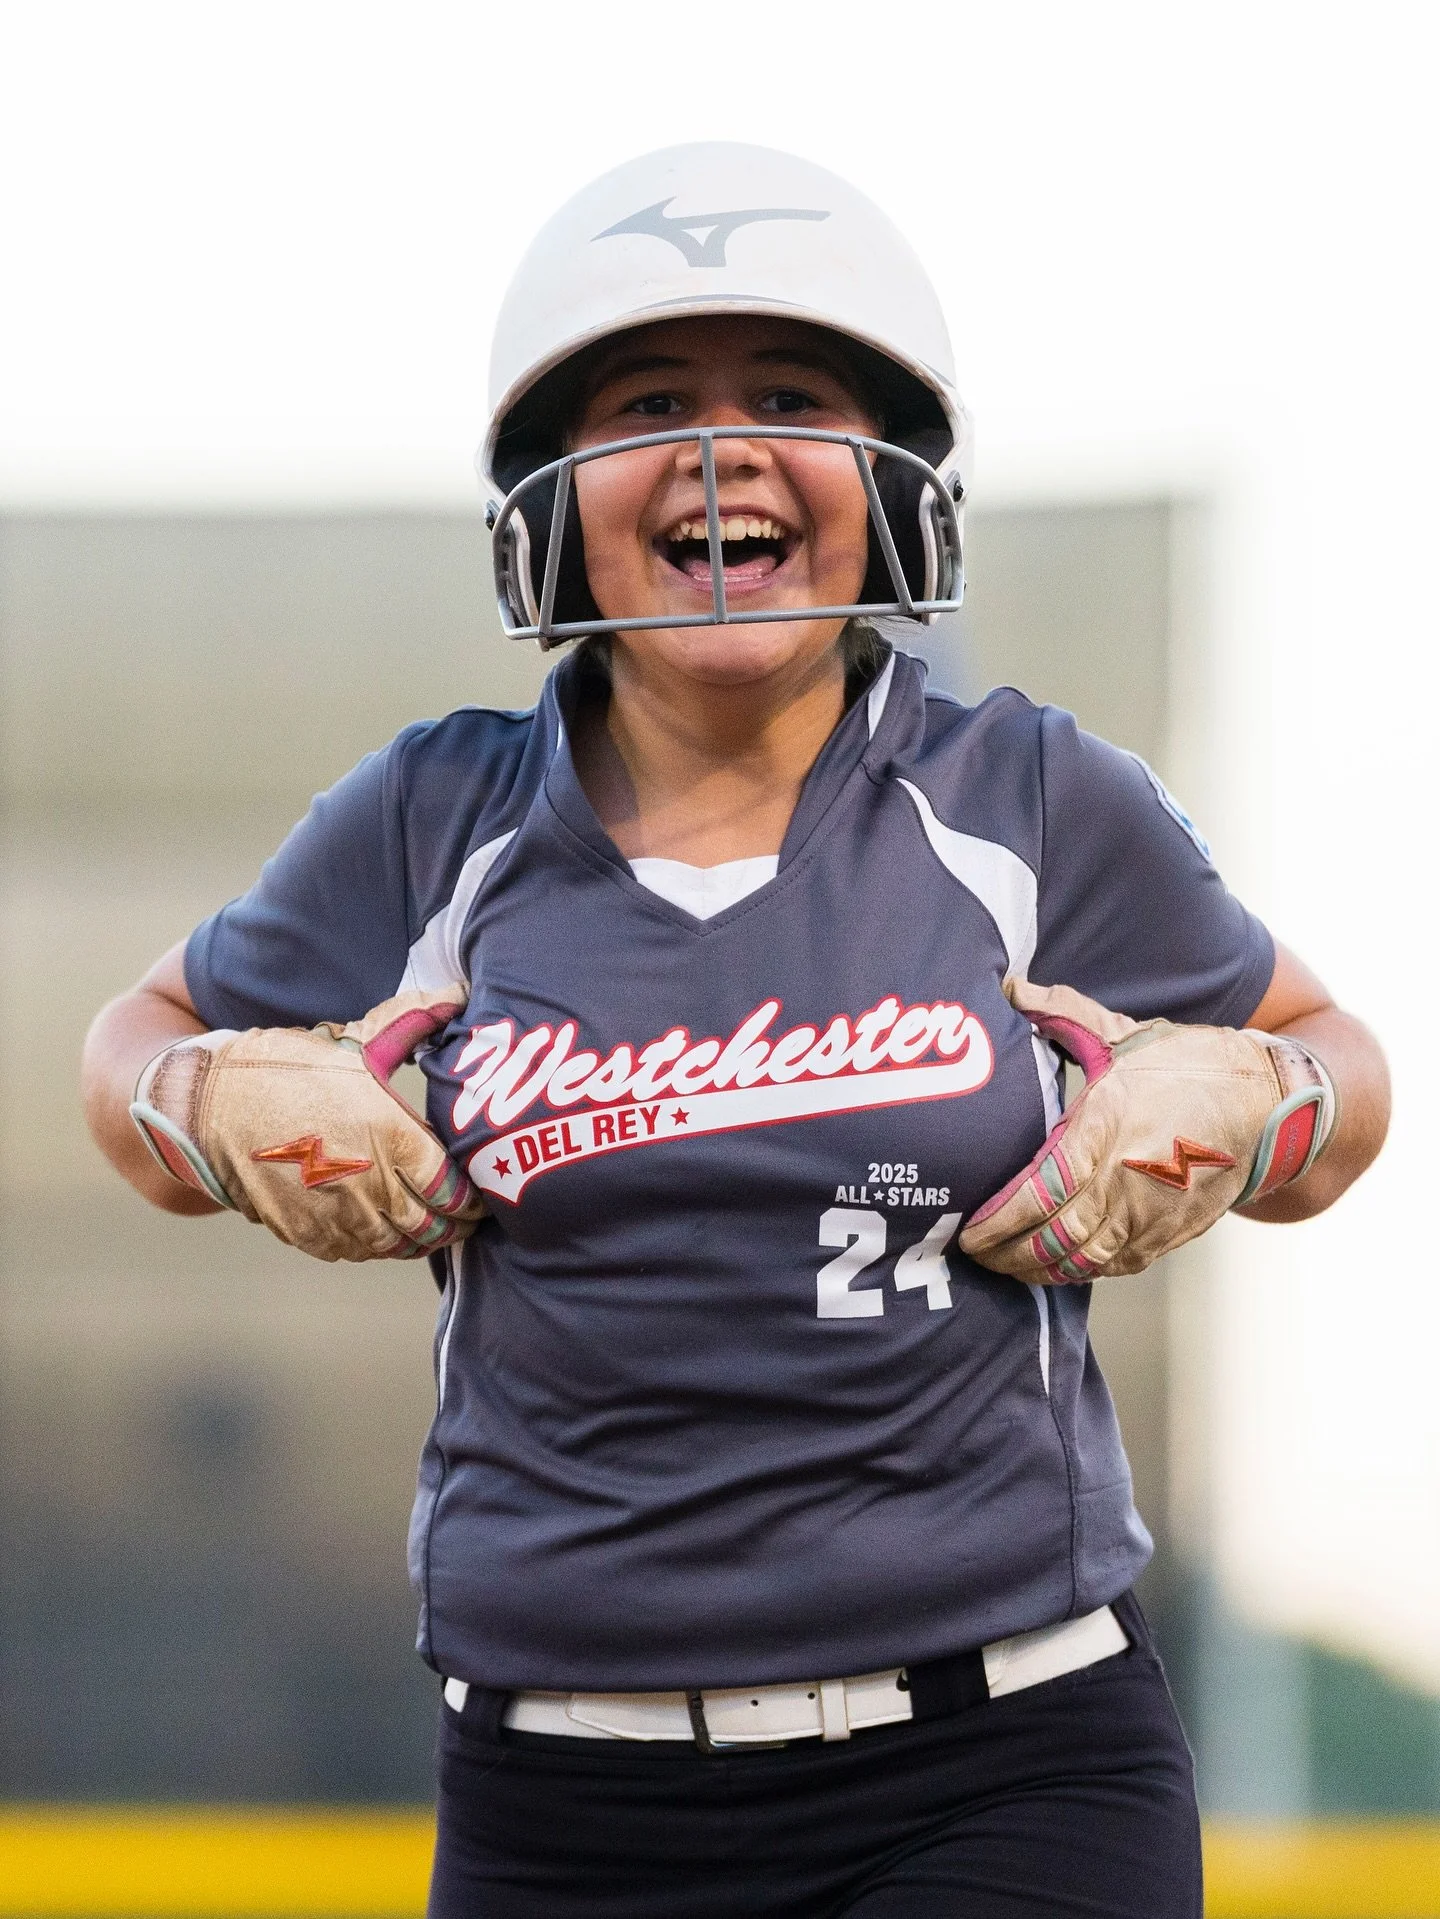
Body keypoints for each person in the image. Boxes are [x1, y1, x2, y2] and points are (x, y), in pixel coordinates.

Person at [82, 143, 1389, 1917]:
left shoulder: (1031, 797)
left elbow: (1343, 1067)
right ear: (552, 489)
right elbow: (129, 1048)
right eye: (646, 401)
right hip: (564, 1802)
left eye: (789, 393)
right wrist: (205, 1088)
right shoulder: (432, 820)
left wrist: (1259, 1089)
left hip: (1002, 1768)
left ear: (888, 476)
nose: (722, 450)